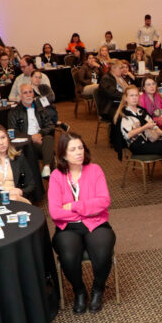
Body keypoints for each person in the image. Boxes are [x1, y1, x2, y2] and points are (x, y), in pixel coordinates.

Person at [47, 132, 116, 313]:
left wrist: (74, 206)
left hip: (97, 224)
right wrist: (86, 210)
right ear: (63, 155)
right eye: (73, 149)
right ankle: (79, 291)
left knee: (102, 254)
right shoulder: (56, 176)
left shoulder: (95, 170)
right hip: (68, 227)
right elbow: (55, 212)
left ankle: (97, 289)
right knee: (68, 257)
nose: (79, 152)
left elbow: (103, 202)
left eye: (80, 148)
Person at [8, 81, 58, 176]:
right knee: (48, 150)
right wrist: (31, 138)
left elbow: (50, 125)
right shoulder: (14, 113)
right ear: (20, 96)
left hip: (40, 141)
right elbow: (13, 133)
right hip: (25, 144)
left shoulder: (41, 109)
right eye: (25, 93)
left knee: (49, 139)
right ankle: (48, 174)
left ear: (33, 94)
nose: (28, 95)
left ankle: (46, 168)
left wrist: (40, 134)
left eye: (30, 92)